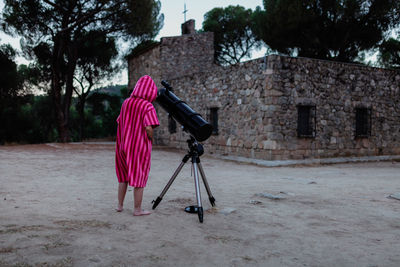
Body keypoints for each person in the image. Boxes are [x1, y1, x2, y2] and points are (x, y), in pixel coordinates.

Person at [115, 75, 159, 216]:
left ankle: (120, 206)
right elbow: (148, 128)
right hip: (138, 148)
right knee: (139, 178)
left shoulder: (126, 103)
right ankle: (137, 209)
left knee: (123, 177)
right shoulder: (147, 106)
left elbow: (119, 121)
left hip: (122, 145)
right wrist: (151, 139)